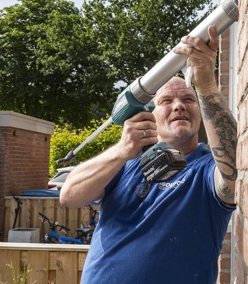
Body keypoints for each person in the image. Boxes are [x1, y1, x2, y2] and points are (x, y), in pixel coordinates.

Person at [60, 26, 238, 284]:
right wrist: (122, 151)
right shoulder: (127, 161)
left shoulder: (208, 168)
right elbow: (69, 195)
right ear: (149, 115)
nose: (179, 105)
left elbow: (234, 176)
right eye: (166, 101)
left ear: (200, 112)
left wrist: (206, 85)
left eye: (188, 99)